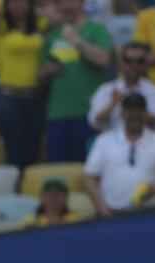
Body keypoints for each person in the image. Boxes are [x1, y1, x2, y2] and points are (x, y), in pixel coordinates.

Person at [40, 0, 114, 162]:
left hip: (88, 113)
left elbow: (103, 60)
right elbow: (41, 73)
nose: (64, 5)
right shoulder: (53, 34)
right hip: (57, 114)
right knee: (57, 169)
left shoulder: (96, 30)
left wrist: (77, 41)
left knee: (85, 168)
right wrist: (48, 71)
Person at [84, 93, 155, 215]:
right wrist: (101, 208)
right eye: (130, 110)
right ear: (123, 113)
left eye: (138, 111)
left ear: (145, 113)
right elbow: (89, 179)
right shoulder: (104, 141)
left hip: (149, 212)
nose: (134, 115)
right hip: (111, 212)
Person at [0, 0, 45, 169]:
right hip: (8, 97)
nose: (17, 5)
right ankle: (15, 189)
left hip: (35, 96)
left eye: (22, 2)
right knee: (13, 150)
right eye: (12, 2)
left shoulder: (42, 25)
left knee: (34, 149)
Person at [88, 42, 155, 132]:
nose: (134, 65)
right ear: (121, 63)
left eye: (140, 61)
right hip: (111, 143)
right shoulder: (106, 89)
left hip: (147, 143)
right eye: (128, 60)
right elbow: (95, 122)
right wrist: (112, 104)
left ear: (146, 64)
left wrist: (130, 103)